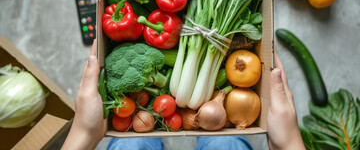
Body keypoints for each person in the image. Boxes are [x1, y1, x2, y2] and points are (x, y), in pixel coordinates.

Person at [61, 40, 305, 150]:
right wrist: (289, 144)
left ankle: (150, 139)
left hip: (156, 106)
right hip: (162, 104)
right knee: (225, 143)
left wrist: (85, 135)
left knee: (133, 144)